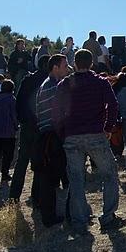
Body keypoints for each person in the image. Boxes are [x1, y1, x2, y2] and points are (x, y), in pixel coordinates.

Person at [54, 49, 126, 235]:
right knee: (109, 174)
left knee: (77, 180)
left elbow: (56, 112)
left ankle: (79, 222)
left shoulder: (64, 84)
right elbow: (113, 105)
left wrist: (63, 133)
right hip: (95, 134)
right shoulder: (100, 83)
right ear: (92, 63)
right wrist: (108, 128)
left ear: (75, 64)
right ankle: (108, 217)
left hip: (72, 137)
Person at [9, 55, 50, 203]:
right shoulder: (49, 82)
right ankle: (36, 197)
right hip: (41, 126)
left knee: (22, 162)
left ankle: (14, 196)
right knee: (39, 162)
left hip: (26, 125)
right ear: (47, 65)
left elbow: (18, 101)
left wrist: (22, 120)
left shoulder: (27, 80)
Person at [35, 54, 69, 227]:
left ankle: (55, 214)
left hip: (48, 135)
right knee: (51, 178)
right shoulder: (53, 86)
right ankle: (51, 217)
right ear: (55, 67)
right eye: (65, 65)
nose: (68, 68)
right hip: (52, 136)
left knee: (51, 177)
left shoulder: (46, 85)